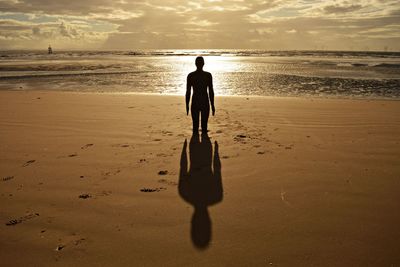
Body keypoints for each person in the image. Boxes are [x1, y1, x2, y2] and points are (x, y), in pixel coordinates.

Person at [186, 56, 215, 134]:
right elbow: (211, 91)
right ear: (203, 64)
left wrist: (187, 104)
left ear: (195, 64)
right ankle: (203, 144)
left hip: (195, 101)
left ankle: (197, 144)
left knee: (195, 127)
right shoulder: (208, 75)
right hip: (205, 101)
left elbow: (188, 92)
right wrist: (212, 104)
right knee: (204, 128)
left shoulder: (191, 75)